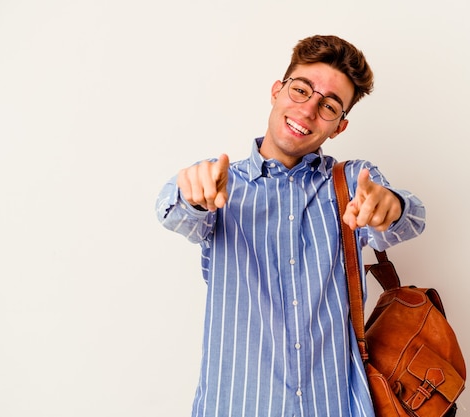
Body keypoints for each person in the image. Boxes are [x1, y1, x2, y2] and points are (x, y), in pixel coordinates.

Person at [155, 34, 426, 417]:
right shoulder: (220, 182)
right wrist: (193, 196)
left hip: (336, 405)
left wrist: (391, 207)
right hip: (237, 405)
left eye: (329, 105)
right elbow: (174, 210)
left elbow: (406, 220)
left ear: (339, 127)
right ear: (276, 91)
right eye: (301, 90)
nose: (309, 109)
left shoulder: (352, 183)